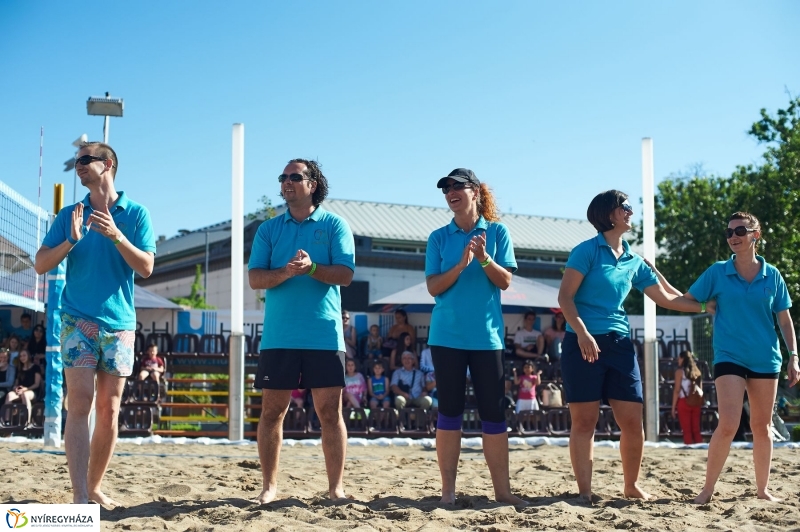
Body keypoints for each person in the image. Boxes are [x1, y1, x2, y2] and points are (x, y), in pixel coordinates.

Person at [557, 189, 713, 502]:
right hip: (581, 341)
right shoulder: (586, 251)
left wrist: (704, 307)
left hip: (619, 344)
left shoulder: (633, 260)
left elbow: (667, 298)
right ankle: (585, 491)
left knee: (631, 420)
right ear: (608, 213)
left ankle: (631, 485)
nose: (630, 211)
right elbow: (565, 298)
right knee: (585, 421)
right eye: (625, 206)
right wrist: (584, 333)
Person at [34, 141, 156, 506]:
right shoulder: (70, 214)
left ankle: (95, 485)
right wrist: (70, 240)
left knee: (110, 408)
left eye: (85, 160)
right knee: (81, 402)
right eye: (76, 161)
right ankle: (80, 495)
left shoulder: (136, 214)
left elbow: (147, 268)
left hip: (118, 323)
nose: (78, 166)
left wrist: (117, 235)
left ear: (108, 164)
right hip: (76, 319)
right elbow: (41, 264)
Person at [248, 158, 355, 504]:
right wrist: (287, 272)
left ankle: (336, 488)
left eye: (295, 177)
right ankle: (269, 487)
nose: (287, 182)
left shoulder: (335, 225)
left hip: (324, 335)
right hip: (279, 336)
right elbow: (255, 279)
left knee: (329, 414)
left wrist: (311, 269)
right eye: (283, 177)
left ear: (313, 184)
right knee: (271, 413)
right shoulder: (268, 229)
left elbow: (346, 274)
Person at [426, 168, 524, 506]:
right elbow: (433, 287)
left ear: (475, 192)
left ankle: (502, 493)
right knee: (449, 413)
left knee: (494, 415)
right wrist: (461, 264)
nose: (450, 192)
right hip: (446, 337)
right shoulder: (438, 237)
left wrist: (483, 259)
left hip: (487, 338)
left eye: (457, 186)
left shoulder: (497, 232)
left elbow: (505, 282)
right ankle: (448, 493)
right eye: (446, 189)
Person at [686, 212, 798, 504]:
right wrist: (703, 306)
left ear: (755, 235)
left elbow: (784, 321)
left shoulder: (772, 274)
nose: (733, 236)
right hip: (729, 356)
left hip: (766, 358)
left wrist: (794, 356)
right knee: (729, 423)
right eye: (729, 232)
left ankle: (762, 490)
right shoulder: (717, 271)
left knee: (761, 426)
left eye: (739, 230)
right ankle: (707, 489)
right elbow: (688, 298)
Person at [671, 350, 703, 445]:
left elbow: (677, 390)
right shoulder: (697, 371)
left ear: (683, 359)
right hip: (696, 401)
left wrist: (673, 407)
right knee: (696, 429)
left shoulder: (679, 372)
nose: (678, 360)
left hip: (683, 401)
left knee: (687, 430)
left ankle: (689, 447)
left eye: (679, 358)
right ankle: (700, 447)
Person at [4, 349, 42, 426]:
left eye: (24, 355)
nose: (22, 357)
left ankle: (27, 421)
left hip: (32, 391)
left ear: (28, 356)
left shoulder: (35, 367)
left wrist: (26, 389)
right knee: (9, 395)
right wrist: (15, 388)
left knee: (25, 395)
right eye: (20, 356)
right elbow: (16, 382)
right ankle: (7, 420)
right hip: (20, 391)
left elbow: (37, 384)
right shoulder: (19, 369)